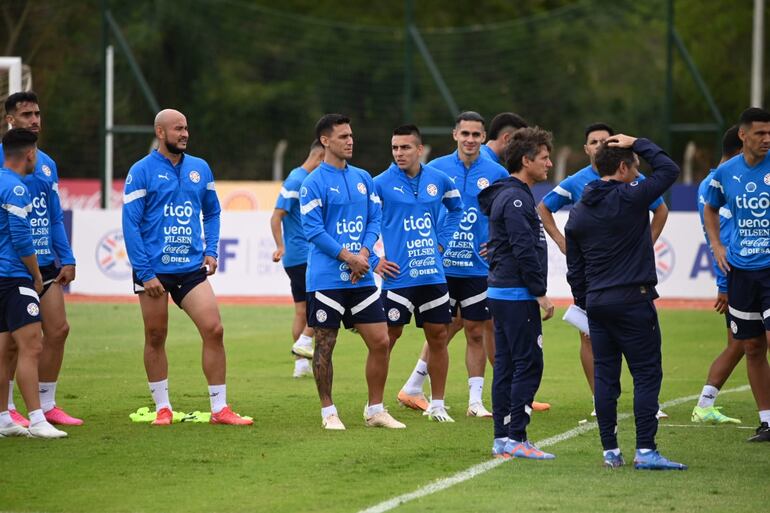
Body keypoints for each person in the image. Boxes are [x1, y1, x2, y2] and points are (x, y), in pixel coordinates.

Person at [122, 109, 251, 426]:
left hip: (191, 268)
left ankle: (220, 409)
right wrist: (145, 272)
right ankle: (163, 407)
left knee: (214, 330)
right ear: (160, 132)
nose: (185, 134)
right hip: (153, 269)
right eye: (178, 129)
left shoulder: (200, 168)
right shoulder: (141, 171)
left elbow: (213, 212)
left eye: (186, 129)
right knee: (155, 336)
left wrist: (211, 250)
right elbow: (130, 225)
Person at [565, 134, 686, 470]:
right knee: (646, 375)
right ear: (622, 167)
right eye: (635, 169)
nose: (638, 175)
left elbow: (575, 269)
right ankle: (646, 450)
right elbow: (669, 169)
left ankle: (610, 452)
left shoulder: (577, 212)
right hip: (634, 299)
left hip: (598, 304)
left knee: (606, 377)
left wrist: (585, 301)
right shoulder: (631, 197)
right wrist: (640, 142)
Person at [538, 122, 669, 418]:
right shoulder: (575, 182)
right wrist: (561, 242)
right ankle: (600, 400)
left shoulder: (631, 176)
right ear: (586, 149)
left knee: (636, 336)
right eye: (593, 142)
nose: (599, 146)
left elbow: (660, 209)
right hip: (593, 273)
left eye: (604, 141)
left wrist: (645, 243)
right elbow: (544, 208)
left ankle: (648, 401)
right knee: (588, 337)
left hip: (628, 277)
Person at [397, 111, 512, 418]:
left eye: (476, 135)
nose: (470, 140)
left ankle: (475, 402)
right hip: (440, 267)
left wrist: (498, 241)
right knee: (439, 333)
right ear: (455, 135)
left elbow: (503, 214)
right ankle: (429, 395)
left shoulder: (497, 172)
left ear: (484, 138)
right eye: (465, 134)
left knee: (476, 331)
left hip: (477, 267)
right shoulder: (434, 169)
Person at [300, 113, 404, 430]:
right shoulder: (312, 183)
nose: (350, 140)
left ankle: (375, 410)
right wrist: (348, 257)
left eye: (351, 135)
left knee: (381, 341)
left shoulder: (363, 178)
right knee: (325, 346)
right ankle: (328, 412)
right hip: (326, 280)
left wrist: (363, 253)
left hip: (360, 277)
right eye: (343, 136)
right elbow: (313, 230)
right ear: (325, 141)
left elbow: (374, 219)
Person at [373, 124, 463, 422]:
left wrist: (443, 242)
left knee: (438, 337)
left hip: (433, 275)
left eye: (405, 147)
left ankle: (437, 404)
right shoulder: (379, 183)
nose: (399, 153)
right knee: (387, 338)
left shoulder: (439, 180)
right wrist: (373, 259)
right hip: (398, 276)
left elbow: (456, 209)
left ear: (419, 149)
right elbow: (361, 221)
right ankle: (375, 406)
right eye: (395, 148)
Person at [1, 91, 80, 427]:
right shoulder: (6, 163)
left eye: (37, 114)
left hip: (46, 263)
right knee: (12, 343)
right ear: (10, 120)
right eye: (26, 115)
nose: (34, 120)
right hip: (13, 267)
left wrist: (68, 257)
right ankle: (9, 409)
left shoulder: (46, 163)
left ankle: (47, 404)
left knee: (58, 330)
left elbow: (53, 217)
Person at [480, 127, 556, 460]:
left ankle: (503, 438)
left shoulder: (513, 195)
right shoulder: (515, 197)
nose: (550, 164)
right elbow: (523, 247)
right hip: (515, 293)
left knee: (508, 365)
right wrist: (539, 292)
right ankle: (516, 437)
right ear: (526, 161)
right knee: (528, 363)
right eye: (544, 158)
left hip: (505, 291)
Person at [704, 107, 770, 442]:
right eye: (760, 133)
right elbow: (710, 206)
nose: (767, 139)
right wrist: (716, 243)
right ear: (743, 135)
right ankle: (767, 421)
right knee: (753, 346)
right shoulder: (725, 173)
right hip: (741, 272)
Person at [691, 125, 744, 425]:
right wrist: (724, 283)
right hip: (741, 274)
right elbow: (722, 238)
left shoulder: (711, 182)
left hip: (740, 273)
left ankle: (705, 403)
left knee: (744, 344)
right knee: (745, 343)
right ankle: (704, 404)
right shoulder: (724, 182)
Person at [271, 140, 325, 378]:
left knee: (302, 310)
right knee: (324, 303)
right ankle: (304, 341)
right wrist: (280, 245)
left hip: (294, 257)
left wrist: (282, 248)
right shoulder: (299, 181)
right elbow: (275, 216)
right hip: (304, 255)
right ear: (321, 157)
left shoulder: (294, 176)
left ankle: (300, 365)